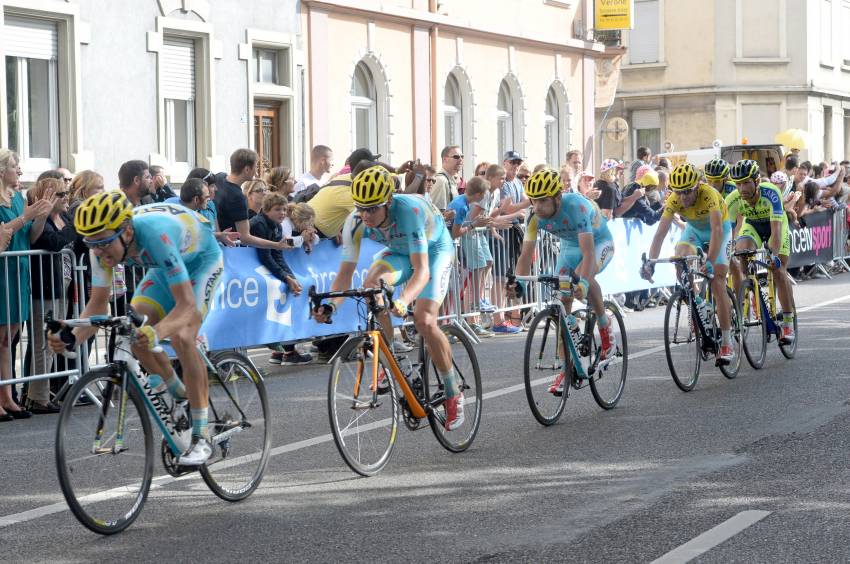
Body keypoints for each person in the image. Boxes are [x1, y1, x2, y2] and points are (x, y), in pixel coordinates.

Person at [50, 192, 223, 464]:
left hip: (201, 264)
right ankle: (177, 391)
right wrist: (71, 338)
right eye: (91, 244)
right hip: (164, 270)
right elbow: (97, 306)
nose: (98, 251)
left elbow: (187, 305)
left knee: (182, 336)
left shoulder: (156, 235)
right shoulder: (101, 248)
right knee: (133, 331)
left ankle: (202, 438)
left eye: (104, 242)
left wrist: (157, 332)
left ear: (127, 231)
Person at [311, 166, 465, 430]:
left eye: (373, 209)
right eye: (361, 207)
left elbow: (423, 271)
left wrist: (403, 300)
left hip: (435, 249)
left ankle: (454, 393)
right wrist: (330, 307)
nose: (366, 215)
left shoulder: (408, 212)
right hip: (399, 251)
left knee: (425, 320)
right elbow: (344, 275)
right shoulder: (355, 222)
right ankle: (390, 354)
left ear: (389, 202)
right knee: (370, 284)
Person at [508, 169, 616, 395]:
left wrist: (583, 285)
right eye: (534, 201)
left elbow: (588, 254)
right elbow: (525, 255)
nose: (537, 207)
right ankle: (567, 367)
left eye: (543, 201)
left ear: (557, 197)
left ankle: (605, 328)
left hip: (598, 242)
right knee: (561, 300)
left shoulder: (576, 207)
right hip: (569, 246)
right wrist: (520, 284)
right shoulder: (534, 217)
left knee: (582, 276)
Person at [641, 163, 736, 364]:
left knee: (717, 280)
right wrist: (651, 263)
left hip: (720, 230)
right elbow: (660, 234)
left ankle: (727, 343)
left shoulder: (708, 194)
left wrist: (710, 260)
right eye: (679, 192)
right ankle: (699, 302)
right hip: (694, 230)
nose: (683, 197)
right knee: (679, 256)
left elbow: (717, 231)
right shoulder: (675, 199)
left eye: (687, 192)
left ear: (697, 186)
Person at [0, 150, 53, 421]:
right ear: (1, 171)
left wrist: (41, 216)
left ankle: (7, 397)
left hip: (18, 272)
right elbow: (3, 232)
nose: (20, 170)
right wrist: (27, 215)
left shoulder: (18, 199)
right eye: (15, 166)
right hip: (2, 272)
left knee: (9, 338)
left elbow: (29, 236)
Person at [725, 159, 795, 343]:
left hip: (775, 226)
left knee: (779, 270)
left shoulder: (771, 193)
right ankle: (750, 286)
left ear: (756, 181)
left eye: (746, 182)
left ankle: (787, 323)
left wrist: (775, 256)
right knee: (741, 251)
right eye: (738, 184)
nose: (742, 189)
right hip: (753, 226)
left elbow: (777, 232)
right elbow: (728, 233)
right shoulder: (732, 199)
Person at [23, 178, 76, 414]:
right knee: (41, 343)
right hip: (44, 287)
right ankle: (38, 397)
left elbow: (76, 241)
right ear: (50, 196)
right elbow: (54, 242)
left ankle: (43, 395)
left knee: (54, 339)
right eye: (62, 194)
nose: (66, 198)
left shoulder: (63, 219)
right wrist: (74, 231)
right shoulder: (41, 221)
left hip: (62, 285)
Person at [249, 192, 312, 366]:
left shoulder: (277, 227)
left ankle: (283, 348)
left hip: (267, 268)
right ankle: (279, 347)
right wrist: (286, 277)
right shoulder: (259, 224)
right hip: (253, 272)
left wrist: (290, 277)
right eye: (278, 209)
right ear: (266, 210)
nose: (283, 213)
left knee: (292, 288)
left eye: (284, 209)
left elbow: (278, 255)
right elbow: (265, 256)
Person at [213, 149, 291, 250]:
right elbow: (245, 237)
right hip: (230, 250)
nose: (257, 171)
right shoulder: (238, 197)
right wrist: (276, 245)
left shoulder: (219, 177)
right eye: (256, 167)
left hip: (215, 242)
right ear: (246, 169)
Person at [448, 176, 494, 338]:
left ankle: (453, 325)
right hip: (447, 248)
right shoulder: (462, 207)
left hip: (449, 248)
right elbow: (454, 233)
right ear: (478, 194)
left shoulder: (461, 201)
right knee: (450, 288)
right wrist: (474, 225)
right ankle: (451, 325)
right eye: (484, 193)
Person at [431, 145, 464, 212]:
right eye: (456, 157)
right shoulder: (441, 181)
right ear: (444, 159)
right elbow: (437, 214)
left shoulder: (450, 179)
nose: (460, 159)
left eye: (462, 156)